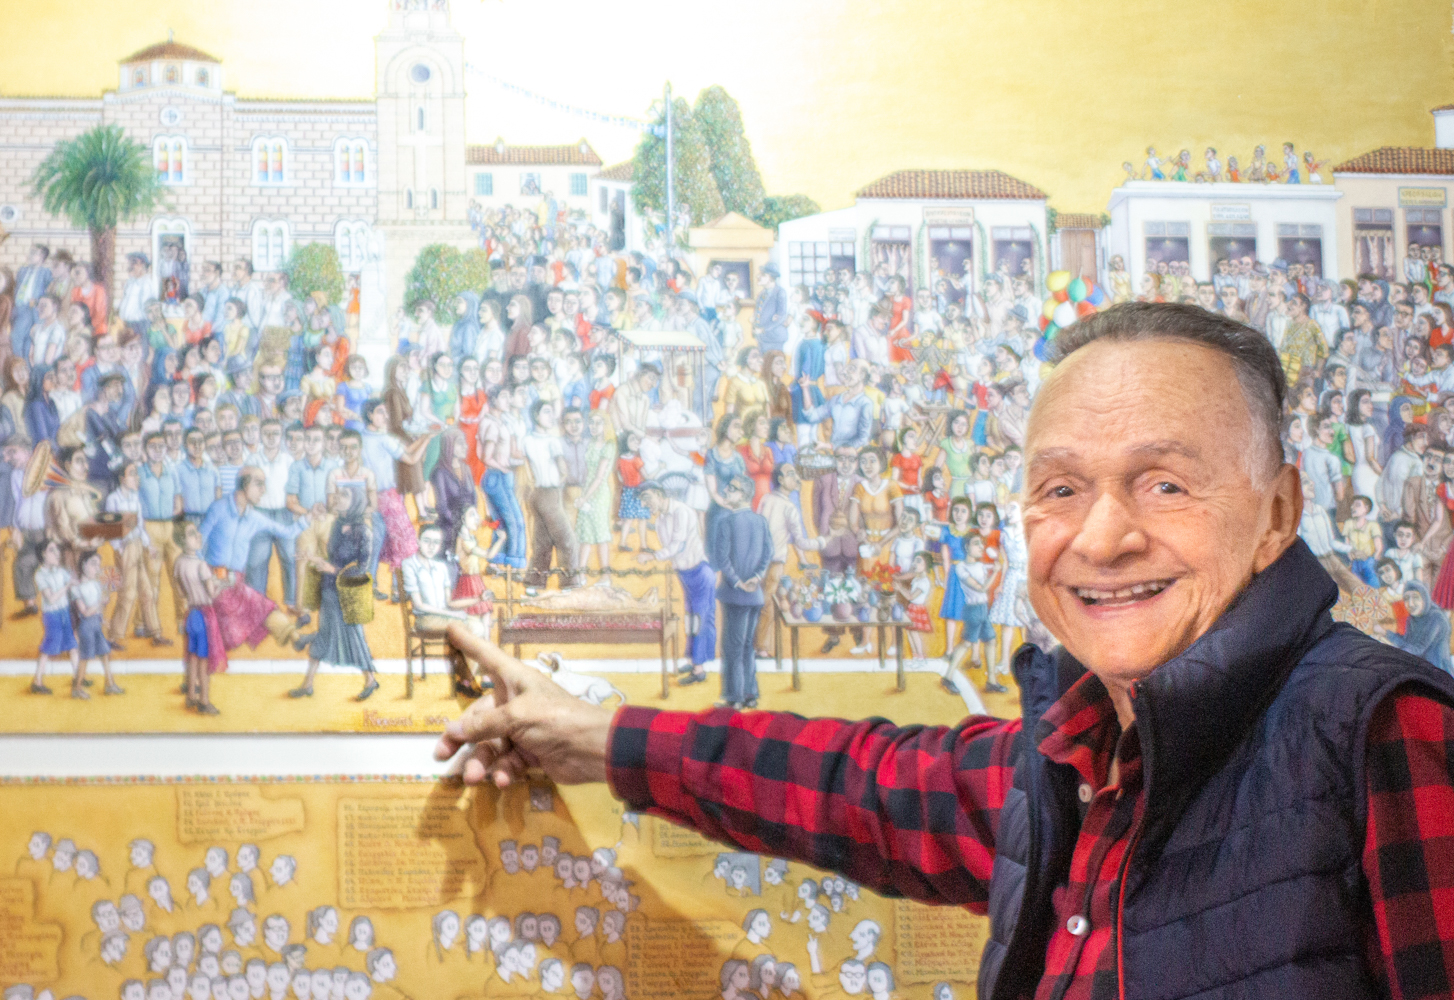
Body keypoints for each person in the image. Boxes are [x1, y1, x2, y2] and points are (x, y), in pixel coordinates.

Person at [437, 301, 1454, 1000]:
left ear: (1278, 509)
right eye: (1059, 490)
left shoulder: (1377, 734)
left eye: (1163, 484)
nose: (1100, 538)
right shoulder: (1073, 758)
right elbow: (854, 787)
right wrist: (590, 736)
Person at [289, 485, 378, 700]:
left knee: (354, 637)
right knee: (327, 632)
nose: (338, 499)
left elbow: (362, 567)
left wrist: (333, 570)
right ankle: (308, 683)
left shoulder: (363, 531)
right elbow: (332, 558)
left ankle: (370, 680)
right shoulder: (338, 525)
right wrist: (314, 559)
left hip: (347, 593)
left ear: (356, 501)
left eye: (345, 496)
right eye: (338, 495)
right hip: (329, 589)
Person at [707, 475, 773, 709]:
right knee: (746, 645)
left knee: (734, 646)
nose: (726, 491)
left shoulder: (726, 522)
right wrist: (755, 579)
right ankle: (750, 694)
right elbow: (768, 555)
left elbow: (722, 560)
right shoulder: (761, 522)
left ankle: (735, 697)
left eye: (731, 489)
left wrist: (738, 582)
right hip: (754, 594)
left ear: (744, 494)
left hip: (735, 594)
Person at [174, 519, 226, 715]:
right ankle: (204, 701)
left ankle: (191, 697)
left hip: (191, 614)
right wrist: (219, 583)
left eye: (196, 532)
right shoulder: (201, 565)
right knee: (204, 660)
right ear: (182, 540)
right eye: (191, 534)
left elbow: (179, 590)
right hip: (204, 615)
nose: (198, 536)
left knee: (192, 657)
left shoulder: (178, 562)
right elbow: (212, 594)